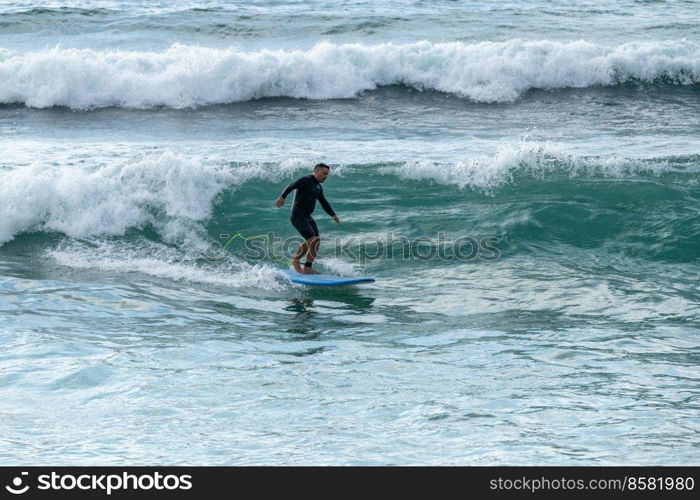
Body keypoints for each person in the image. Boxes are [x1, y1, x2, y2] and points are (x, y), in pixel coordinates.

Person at [275, 163, 341, 274]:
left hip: (307, 216)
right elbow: (292, 185)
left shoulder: (318, 187)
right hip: (298, 215)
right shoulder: (306, 180)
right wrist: (282, 197)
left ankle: (307, 267)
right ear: (316, 171)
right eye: (324, 173)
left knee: (317, 241)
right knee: (311, 240)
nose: (326, 176)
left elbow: (323, 202)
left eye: (327, 174)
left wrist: (333, 215)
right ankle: (295, 261)